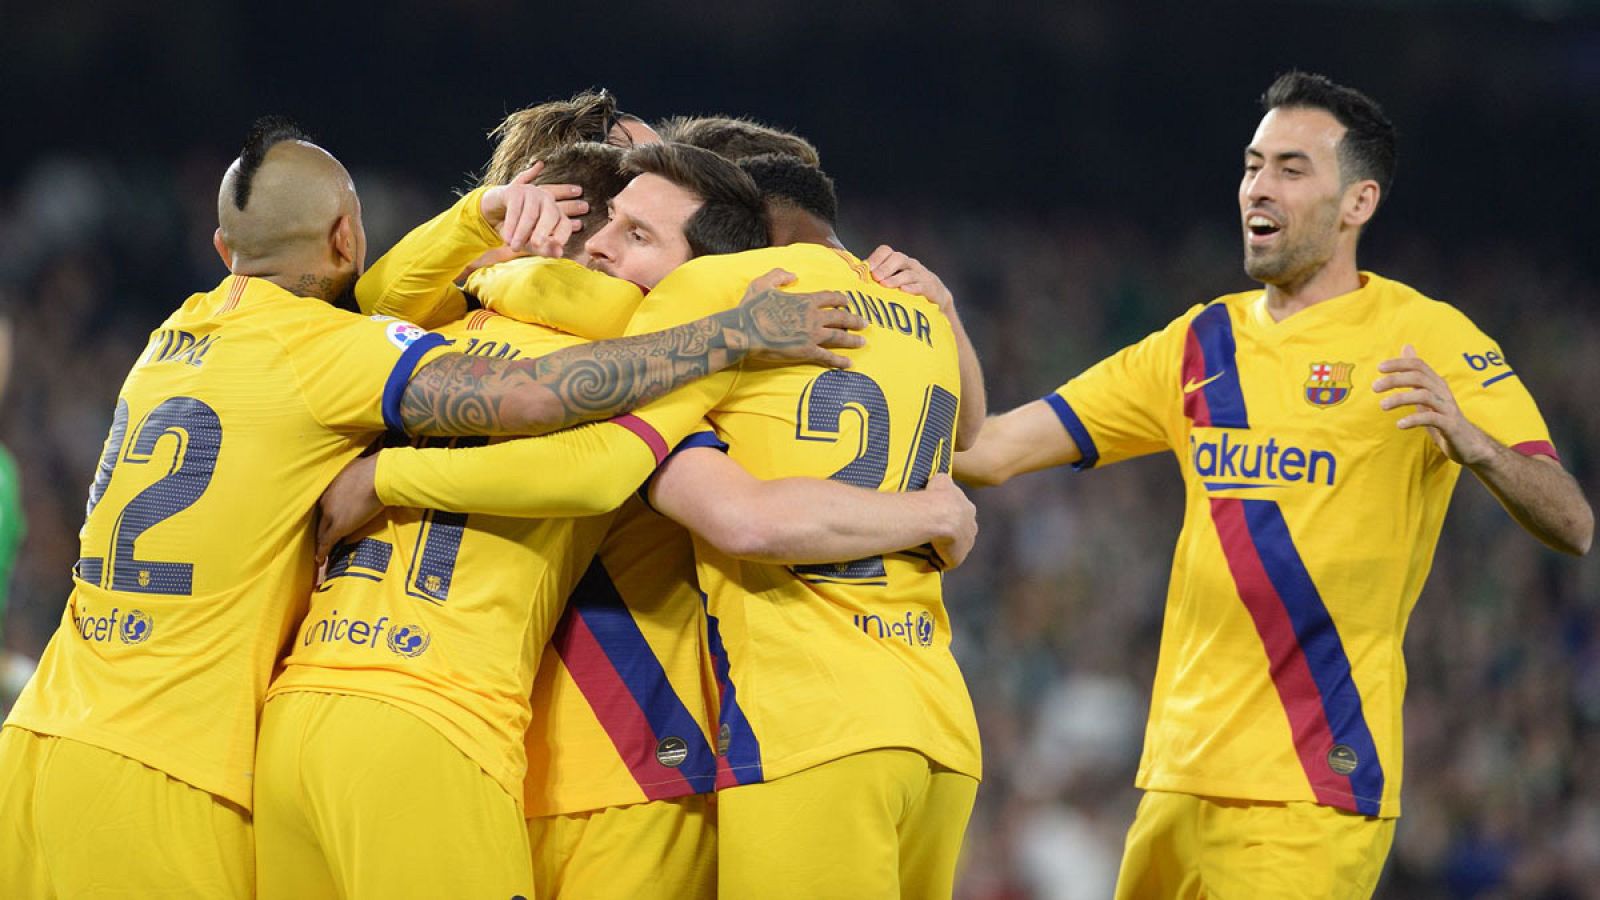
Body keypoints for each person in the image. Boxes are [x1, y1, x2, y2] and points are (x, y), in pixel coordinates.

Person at [0, 118, 860, 898]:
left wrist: (480, 229)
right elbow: (585, 450)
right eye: (612, 226)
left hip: (228, 732)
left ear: (227, 248)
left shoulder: (213, 334)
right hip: (356, 740)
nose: (607, 248)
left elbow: (376, 296)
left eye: (635, 233)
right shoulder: (643, 347)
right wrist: (730, 333)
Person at [954, 71, 1594, 898]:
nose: (1259, 185)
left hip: (1311, 788)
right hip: (1176, 781)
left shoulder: (1423, 336)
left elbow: (1572, 521)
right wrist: (939, 325)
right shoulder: (1198, 343)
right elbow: (992, 449)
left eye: (1292, 168)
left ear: (1357, 202)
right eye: (1254, 164)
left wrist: (1476, 446)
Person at [323, 141, 984, 898]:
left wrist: (489, 264)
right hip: (914, 719)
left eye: (636, 231)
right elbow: (975, 435)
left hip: (653, 750)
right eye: (598, 213)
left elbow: (713, 504)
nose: (601, 242)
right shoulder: (860, 320)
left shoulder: (682, 321)